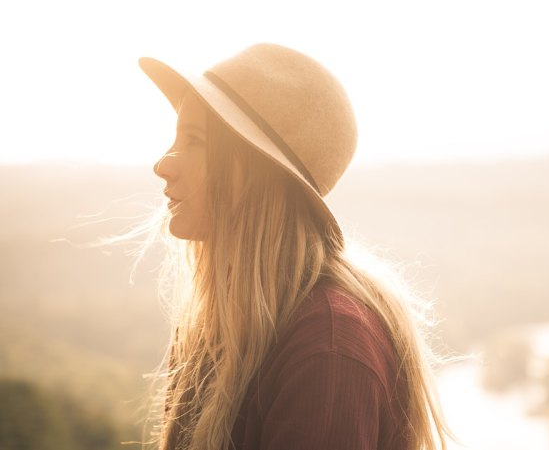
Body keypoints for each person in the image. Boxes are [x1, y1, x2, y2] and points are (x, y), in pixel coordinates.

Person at [140, 43, 450, 450]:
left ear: (258, 172)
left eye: (195, 140)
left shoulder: (328, 349)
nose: (163, 164)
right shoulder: (221, 325)